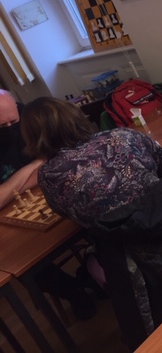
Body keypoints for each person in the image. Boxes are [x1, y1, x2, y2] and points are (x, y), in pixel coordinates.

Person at [20, 97, 162, 350]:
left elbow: (69, 213)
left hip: (139, 260)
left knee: (92, 258)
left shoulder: (49, 175)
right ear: (75, 117)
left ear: (34, 136)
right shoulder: (123, 136)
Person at [0, 89, 97, 320]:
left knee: (94, 220)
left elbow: (57, 159)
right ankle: (76, 293)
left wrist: (13, 185)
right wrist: (34, 164)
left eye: (14, 121)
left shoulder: (29, 116)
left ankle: (97, 275)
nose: (11, 128)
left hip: (54, 190)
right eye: (2, 126)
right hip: (15, 216)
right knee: (23, 262)